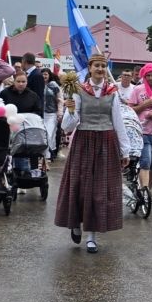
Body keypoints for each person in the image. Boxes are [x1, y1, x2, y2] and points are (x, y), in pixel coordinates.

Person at [56, 53, 132, 253]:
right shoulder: (79, 91)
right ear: (89, 68)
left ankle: (92, 236)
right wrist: (71, 111)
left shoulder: (112, 92)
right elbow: (67, 127)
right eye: (96, 66)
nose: (100, 69)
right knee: (80, 186)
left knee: (99, 191)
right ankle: (75, 223)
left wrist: (125, 150)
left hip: (106, 142)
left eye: (103, 66)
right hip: (84, 141)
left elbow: (118, 122)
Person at [40, 68, 61, 171]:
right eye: (43, 74)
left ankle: (47, 157)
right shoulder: (38, 85)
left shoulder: (54, 85)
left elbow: (60, 100)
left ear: (49, 75)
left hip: (51, 114)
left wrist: (59, 113)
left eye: (46, 74)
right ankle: (43, 157)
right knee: (42, 135)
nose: (44, 76)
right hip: (40, 114)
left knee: (49, 134)